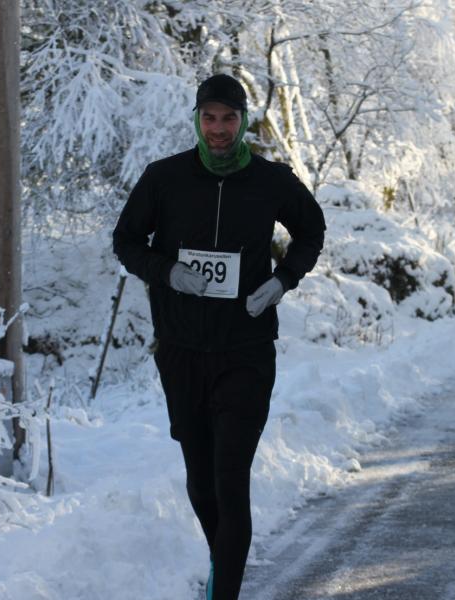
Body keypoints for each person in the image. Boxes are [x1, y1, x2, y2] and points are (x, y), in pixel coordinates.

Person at [112, 73, 326, 599]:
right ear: (196, 120)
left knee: (230, 480)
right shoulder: (164, 178)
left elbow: (312, 230)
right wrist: (166, 273)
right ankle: (223, 556)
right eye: (209, 117)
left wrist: (281, 281)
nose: (219, 129)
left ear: (243, 120)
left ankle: (224, 589)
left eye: (229, 118)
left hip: (246, 351)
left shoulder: (272, 180)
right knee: (201, 481)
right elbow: (125, 240)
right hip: (182, 351)